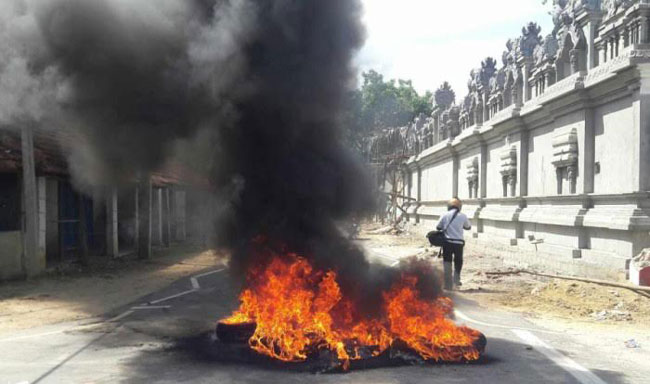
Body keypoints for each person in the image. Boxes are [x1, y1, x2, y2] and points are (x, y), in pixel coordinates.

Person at [436, 197, 471, 290]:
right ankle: (456, 279)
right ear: (459, 206)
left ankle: (448, 284)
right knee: (458, 261)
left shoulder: (444, 215)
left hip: (447, 243)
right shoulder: (463, 216)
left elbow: (438, 227)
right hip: (459, 243)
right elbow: (468, 227)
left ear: (449, 206)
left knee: (447, 262)